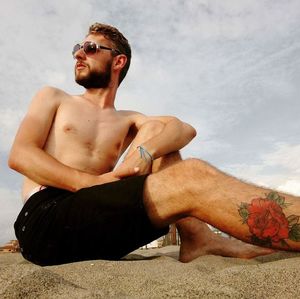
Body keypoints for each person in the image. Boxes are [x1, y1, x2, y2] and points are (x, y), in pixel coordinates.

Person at [9, 23, 300, 266]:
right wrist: (91, 182)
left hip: (96, 226)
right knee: (192, 175)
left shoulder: (128, 120)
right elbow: (21, 154)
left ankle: (196, 237)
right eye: (77, 49)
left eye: (90, 48)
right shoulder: (55, 98)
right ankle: (202, 236)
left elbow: (182, 128)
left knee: (163, 142)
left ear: (118, 61)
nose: (78, 55)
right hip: (45, 219)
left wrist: (145, 152)